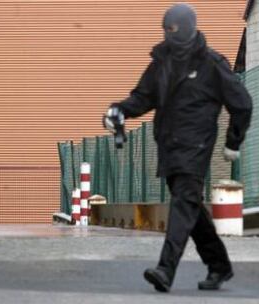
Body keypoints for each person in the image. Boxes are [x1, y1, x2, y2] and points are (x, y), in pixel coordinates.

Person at [103, 3, 253, 292]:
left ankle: (165, 269)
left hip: (196, 147)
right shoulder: (162, 61)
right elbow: (142, 97)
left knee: (184, 202)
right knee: (191, 207)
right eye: (165, 29)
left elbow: (243, 103)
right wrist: (119, 110)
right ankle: (219, 265)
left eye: (173, 29)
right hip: (168, 146)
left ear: (186, 28)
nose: (168, 34)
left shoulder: (211, 64)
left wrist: (233, 142)